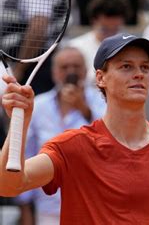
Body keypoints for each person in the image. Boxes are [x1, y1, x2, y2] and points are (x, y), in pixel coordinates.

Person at [0, 33, 149, 224]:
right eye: (126, 66)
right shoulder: (71, 147)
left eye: (144, 67)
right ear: (100, 78)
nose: (139, 74)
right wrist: (22, 121)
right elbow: (8, 185)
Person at [14, 47, 106, 225]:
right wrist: (25, 209)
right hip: (49, 208)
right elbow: (27, 155)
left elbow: (111, 141)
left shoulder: (102, 102)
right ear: (54, 72)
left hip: (93, 206)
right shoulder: (38, 106)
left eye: (76, 66)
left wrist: (83, 108)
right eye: (65, 67)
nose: (71, 71)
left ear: (86, 70)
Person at [68, 0, 130, 85]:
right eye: (105, 29)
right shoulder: (76, 47)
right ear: (93, 21)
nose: (110, 35)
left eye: (115, 30)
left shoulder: (131, 47)